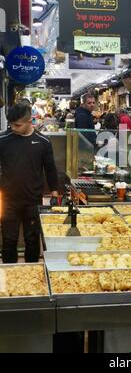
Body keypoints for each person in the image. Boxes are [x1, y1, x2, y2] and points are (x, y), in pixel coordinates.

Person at [0, 103, 58, 263]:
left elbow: (50, 168)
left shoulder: (43, 141)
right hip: (8, 200)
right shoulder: (3, 140)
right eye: (10, 124)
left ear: (30, 121)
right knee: (8, 241)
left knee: (32, 241)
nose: (13, 128)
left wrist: (54, 191)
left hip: (33, 200)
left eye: (17, 125)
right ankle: (9, 277)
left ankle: (32, 275)